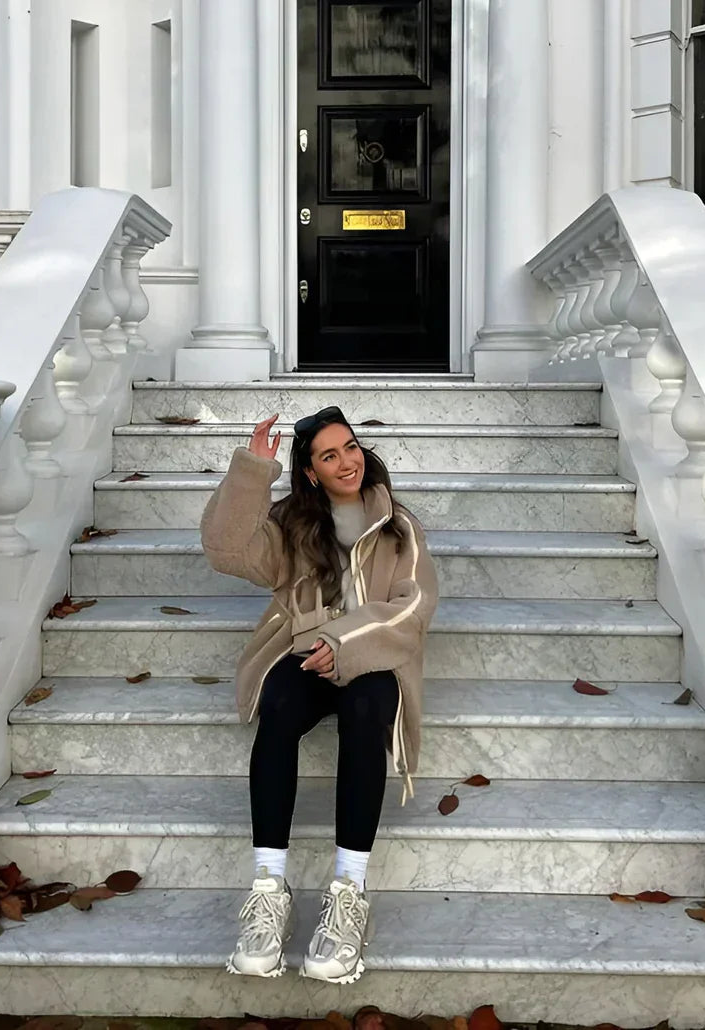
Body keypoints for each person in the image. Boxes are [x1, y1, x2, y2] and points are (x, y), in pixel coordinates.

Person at [200, 405, 438, 984]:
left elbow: (413, 606)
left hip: (374, 656)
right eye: (329, 455)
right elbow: (226, 551)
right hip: (305, 651)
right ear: (310, 471)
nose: (347, 461)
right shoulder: (290, 525)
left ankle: (348, 892)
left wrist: (345, 642)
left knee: (365, 709)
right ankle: (267, 890)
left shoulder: (398, 525)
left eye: (350, 447)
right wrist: (252, 472)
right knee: (279, 703)